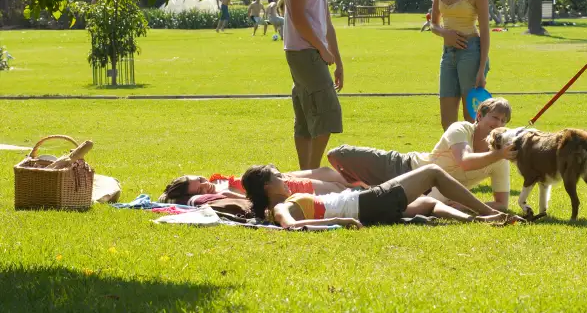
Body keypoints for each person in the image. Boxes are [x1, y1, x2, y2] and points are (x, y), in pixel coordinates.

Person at [327, 98, 516, 211]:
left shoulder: (500, 158)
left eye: (503, 121)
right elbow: (465, 162)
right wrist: (499, 154)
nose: (499, 124)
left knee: (385, 205)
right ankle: (354, 184)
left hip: (430, 192)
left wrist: (465, 206)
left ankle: (358, 189)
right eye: (494, 117)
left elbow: (502, 204)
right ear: (480, 116)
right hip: (404, 167)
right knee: (339, 155)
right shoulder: (462, 128)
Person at [242, 163, 520, 228]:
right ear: (267, 188)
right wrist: (338, 222)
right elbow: (291, 228)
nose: (285, 178)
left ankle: (478, 221)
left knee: (427, 202)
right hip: (366, 203)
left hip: (368, 208)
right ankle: (487, 212)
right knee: (432, 171)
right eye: (277, 177)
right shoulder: (279, 209)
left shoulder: (281, 204)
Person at [284, 0, 344, 170]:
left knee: (307, 116)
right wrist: (321, 47)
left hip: (313, 51)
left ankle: (304, 174)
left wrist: (338, 62)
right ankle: (311, 173)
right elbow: (297, 17)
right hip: (303, 51)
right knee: (328, 113)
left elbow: (326, 22)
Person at [430, 0, 491, 130]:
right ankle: (454, 160)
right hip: (448, 54)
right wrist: (444, 33)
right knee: (447, 122)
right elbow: (433, 23)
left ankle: (474, 158)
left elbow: (485, 31)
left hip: (470, 52)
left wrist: (481, 69)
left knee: (471, 118)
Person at [158, 166, 359, 204]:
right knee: (341, 189)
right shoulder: (223, 194)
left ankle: (371, 185)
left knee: (328, 171)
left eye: (200, 179)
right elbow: (248, 199)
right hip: (287, 187)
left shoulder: (214, 181)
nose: (204, 185)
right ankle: (374, 191)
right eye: (199, 189)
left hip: (277, 176)